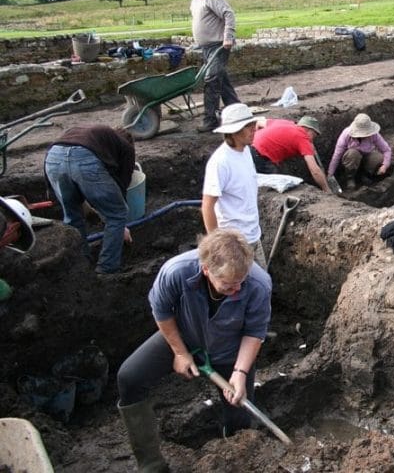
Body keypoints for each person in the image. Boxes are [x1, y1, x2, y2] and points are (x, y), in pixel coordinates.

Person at [116, 229, 272, 471]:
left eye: (241, 282)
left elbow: (254, 331)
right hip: (184, 335)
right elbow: (162, 311)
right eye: (229, 286)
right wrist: (179, 352)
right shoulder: (176, 271)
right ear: (207, 270)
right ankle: (152, 466)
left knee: (239, 414)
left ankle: (232, 460)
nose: (237, 290)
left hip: (230, 350)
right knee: (129, 378)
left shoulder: (258, 284)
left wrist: (240, 372)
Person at [44, 125, 135, 274]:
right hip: (83, 159)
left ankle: (82, 265)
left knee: (73, 216)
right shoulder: (126, 147)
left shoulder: (89, 135)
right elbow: (121, 185)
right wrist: (120, 224)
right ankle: (107, 268)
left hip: (53, 158)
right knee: (117, 214)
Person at [201, 103, 266, 265]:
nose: (254, 129)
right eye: (248, 127)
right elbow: (207, 206)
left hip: (253, 236)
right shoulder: (220, 162)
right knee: (239, 287)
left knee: (262, 284)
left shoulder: (245, 151)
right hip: (234, 244)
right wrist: (217, 244)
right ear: (234, 132)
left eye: (253, 125)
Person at [182, 0, 241, 133]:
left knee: (211, 80)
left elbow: (228, 14)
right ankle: (238, 112)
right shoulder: (194, 0)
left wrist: (228, 36)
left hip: (219, 45)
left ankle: (211, 120)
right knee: (222, 82)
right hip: (206, 47)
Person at [250, 116, 332, 194]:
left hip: (248, 148)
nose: (313, 139)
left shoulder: (286, 123)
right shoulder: (303, 138)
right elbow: (315, 171)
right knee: (278, 186)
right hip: (260, 156)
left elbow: (258, 122)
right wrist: (326, 189)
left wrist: (258, 139)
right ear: (308, 130)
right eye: (314, 135)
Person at [327, 113, 392, 191]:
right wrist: (330, 173)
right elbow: (337, 155)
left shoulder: (374, 135)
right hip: (350, 161)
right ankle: (350, 178)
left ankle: (365, 175)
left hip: (366, 158)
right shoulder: (346, 134)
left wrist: (384, 166)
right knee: (353, 153)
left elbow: (386, 150)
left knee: (378, 158)